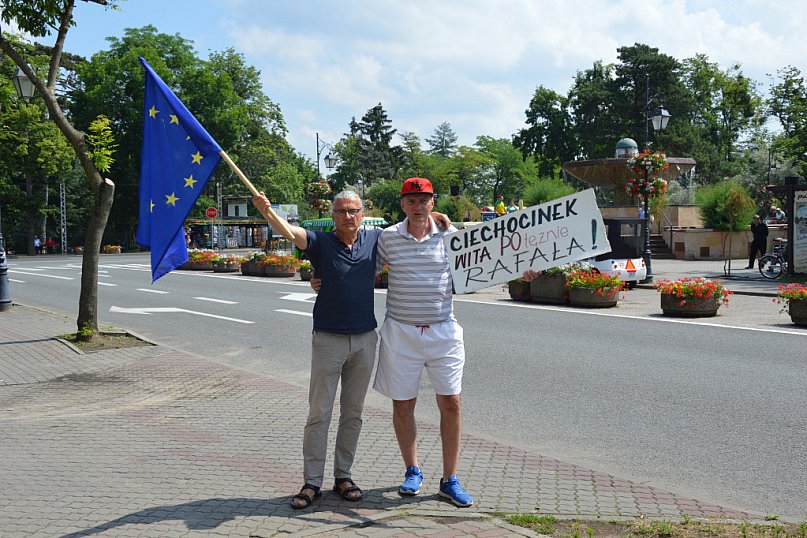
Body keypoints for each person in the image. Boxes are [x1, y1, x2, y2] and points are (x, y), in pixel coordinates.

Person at [252, 190, 450, 510]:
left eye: (353, 211)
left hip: (364, 339)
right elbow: (291, 232)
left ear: (362, 213)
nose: (348, 216)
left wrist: (438, 216)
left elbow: (413, 224)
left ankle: (343, 476)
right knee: (319, 412)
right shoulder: (320, 243)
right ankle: (311, 482)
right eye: (341, 211)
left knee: (353, 413)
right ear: (333, 216)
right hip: (328, 339)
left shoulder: (374, 240)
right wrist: (267, 212)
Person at [373, 177, 473, 507]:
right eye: (411, 201)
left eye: (424, 200)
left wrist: (523, 270)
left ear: (433, 203)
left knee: (452, 402)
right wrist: (322, 278)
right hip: (401, 331)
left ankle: (450, 479)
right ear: (402, 204)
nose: (418, 207)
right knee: (403, 404)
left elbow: (483, 266)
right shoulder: (388, 237)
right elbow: (361, 268)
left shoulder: (450, 235)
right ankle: (412, 470)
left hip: (443, 329)